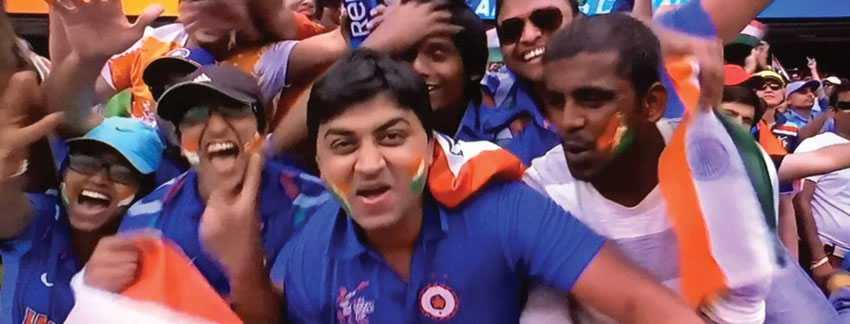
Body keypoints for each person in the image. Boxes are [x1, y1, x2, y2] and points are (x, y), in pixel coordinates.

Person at [273, 49, 704, 324]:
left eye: (392, 137)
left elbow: (639, 304)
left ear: (429, 146)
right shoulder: (311, 256)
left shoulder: (504, 209)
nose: (369, 164)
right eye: (344, 145)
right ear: (319, 162)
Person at [524, 13, 841, 323]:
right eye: (554, 101)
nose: (567, 121)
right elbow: (546, 308)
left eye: (592, 100)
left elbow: (740, 308)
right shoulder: (543, 186)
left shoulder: (725, 165)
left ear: (652, 104)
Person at [82, 65, 337, 323]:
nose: (216, 129)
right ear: (179, 139)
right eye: (194, 117)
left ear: (263, 124)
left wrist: (241, 262)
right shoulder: (145, 215)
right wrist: (92, 289)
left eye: (233, 110)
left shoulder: (315, 206)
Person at [1, 104, 163, 324]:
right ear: (63, 173)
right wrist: (6, 174)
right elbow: (8, 210)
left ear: (142, 194)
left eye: (122, 173)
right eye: (84, 163)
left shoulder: (149, 262)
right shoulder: (42, 217)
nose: (98, 179)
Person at [795, 83, 850, 287]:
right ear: (833, 111)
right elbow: (800, 200)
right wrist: (819, 258)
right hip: (830, 257)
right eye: (847, 105)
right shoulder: (817, 144)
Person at [773, 80, 826, 152]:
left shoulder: (820, 114)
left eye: (812, 91)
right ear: (788, 100)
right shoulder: (783, 120)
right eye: (803, 92)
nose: (811, 95)